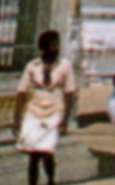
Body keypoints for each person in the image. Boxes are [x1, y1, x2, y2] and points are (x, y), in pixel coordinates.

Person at [13, 30, 76, 185]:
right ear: (44, 47)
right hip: (34, 111)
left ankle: (50, 180)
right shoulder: (32, 67)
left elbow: (69, 94)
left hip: (54, 112)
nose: (56, 48)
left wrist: (65, 119)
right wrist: (16, 118)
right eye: (52, 45)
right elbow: (21, 92)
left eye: (57, 45)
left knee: (47, 151)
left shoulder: (65, 66)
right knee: (33, 154)